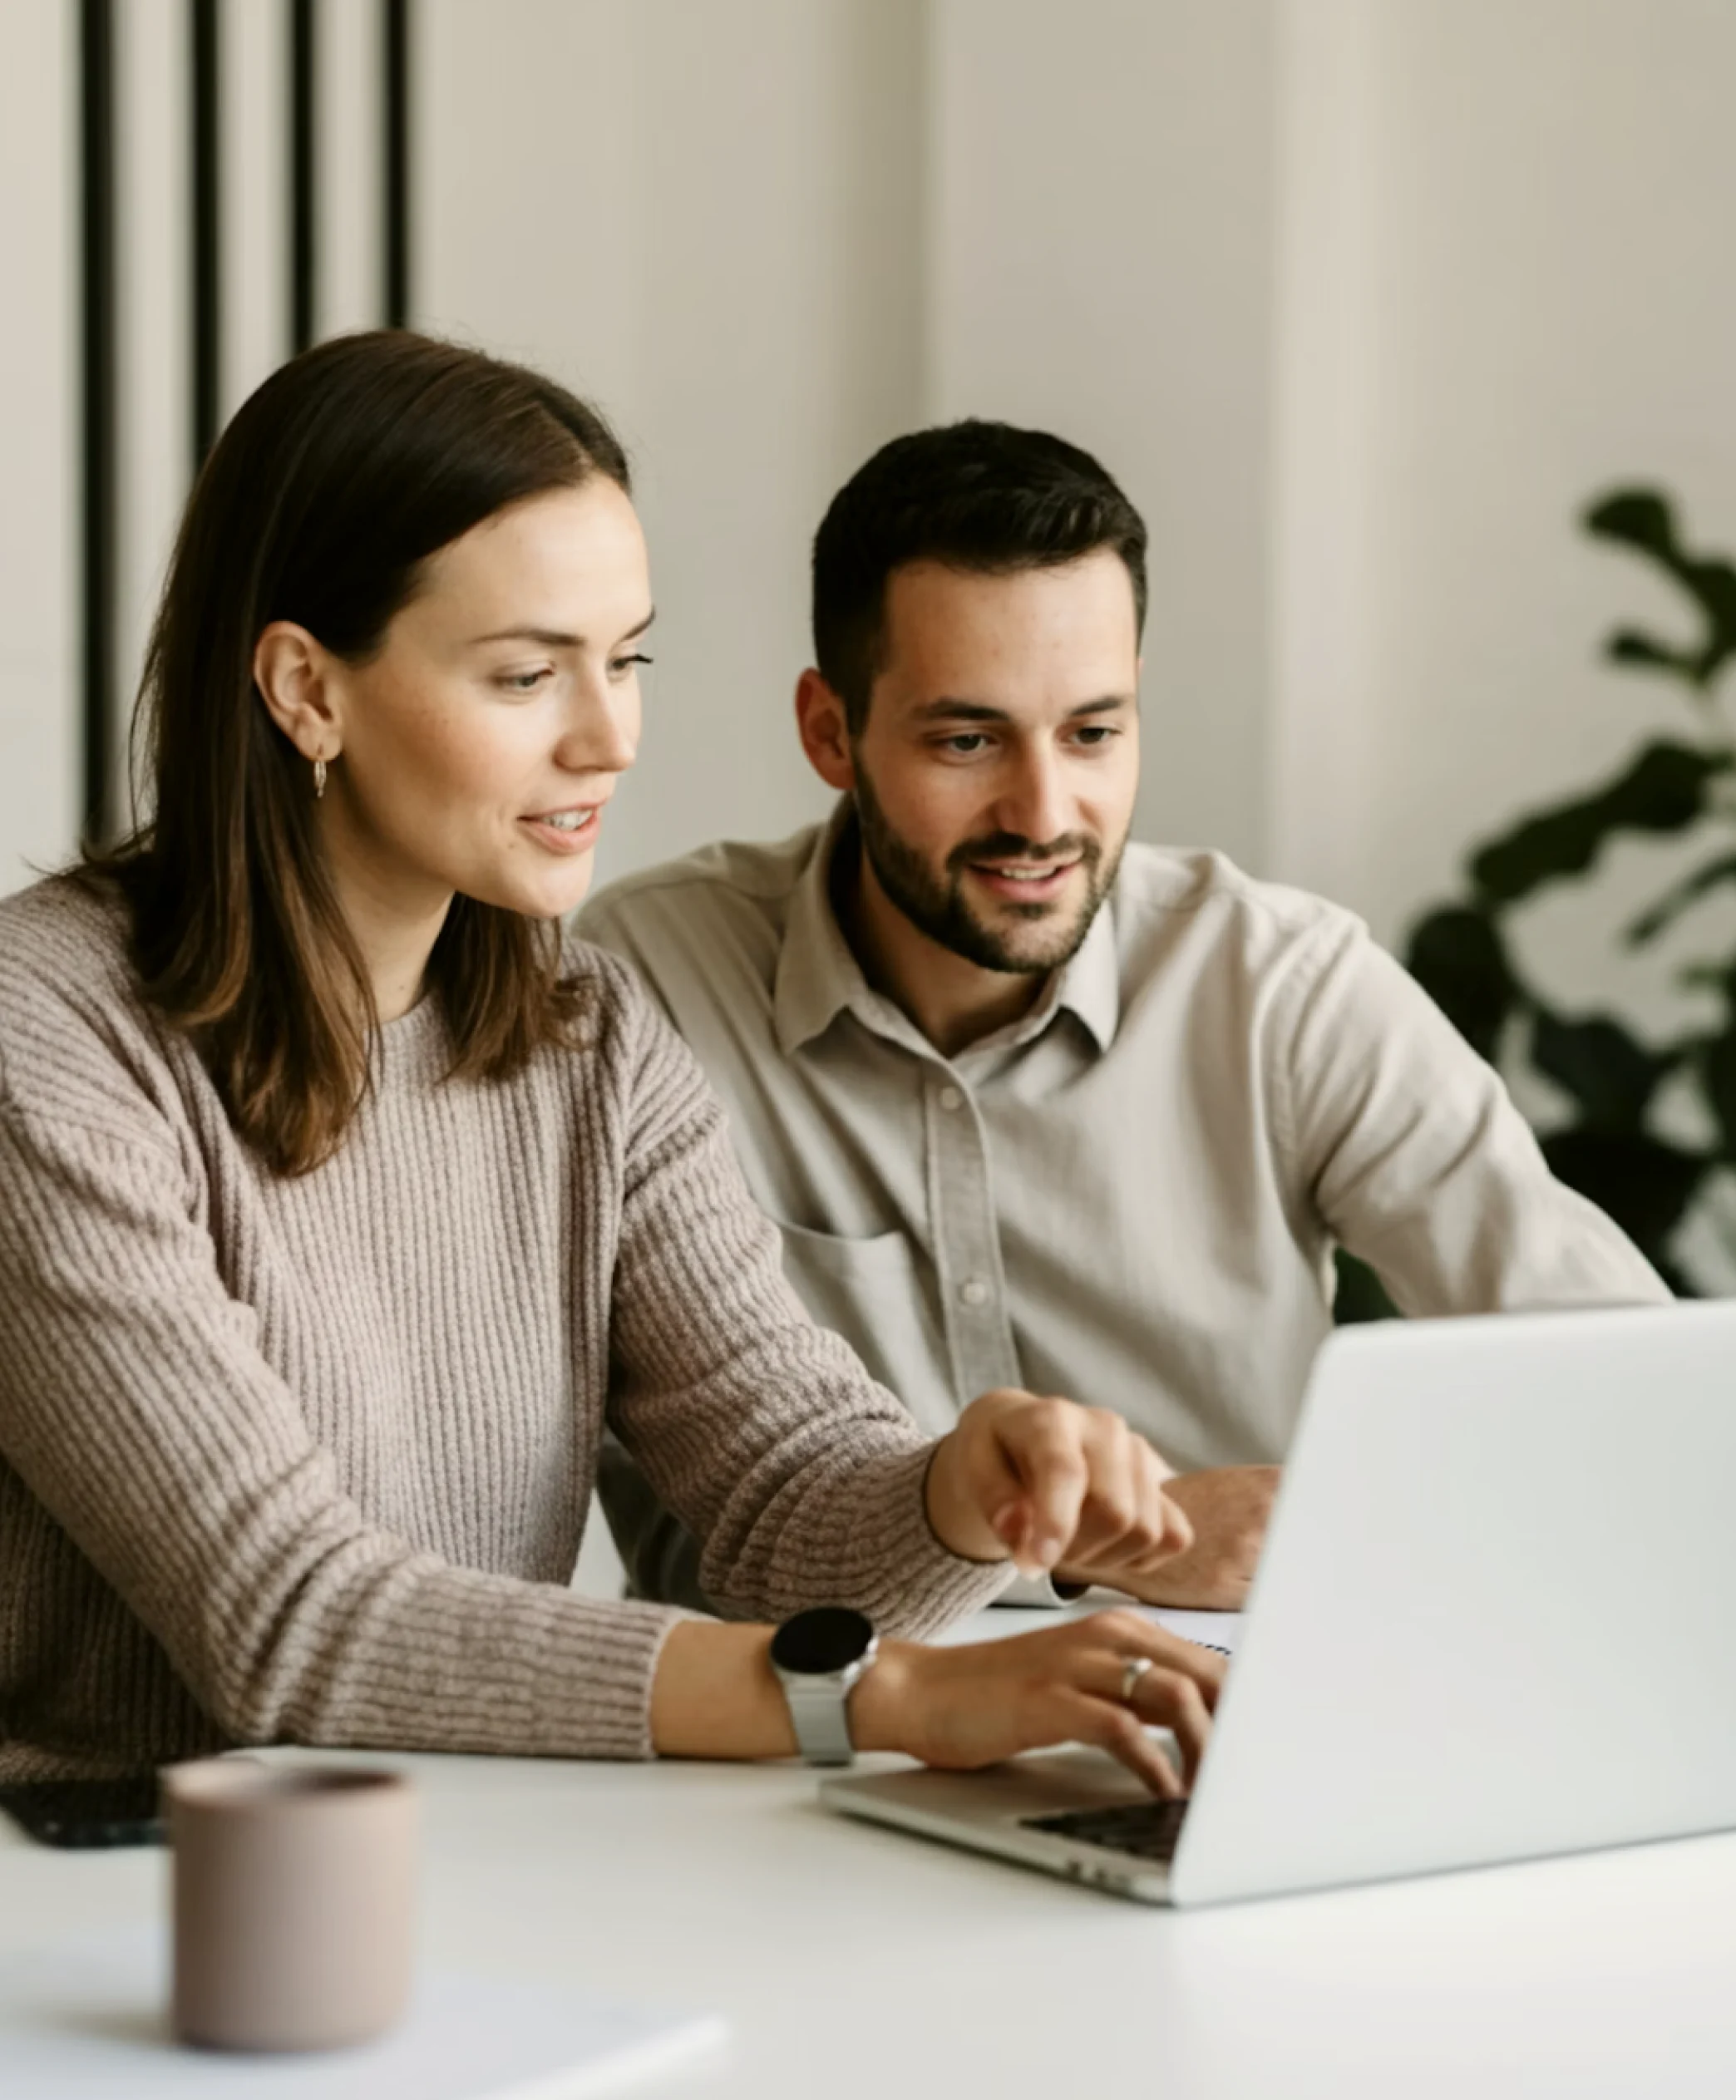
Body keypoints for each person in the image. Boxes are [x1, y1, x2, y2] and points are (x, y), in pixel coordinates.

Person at [0, 338, 1226, 1800]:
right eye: (527, 675)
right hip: (103, 1906)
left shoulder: (587, 1035)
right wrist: (890, 1694)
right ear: (304, 690)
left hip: (483, 1861)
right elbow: (288, 1621)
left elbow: (780, 1492)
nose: (611, 738)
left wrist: (955, 1492)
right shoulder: (49, 1038)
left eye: (627, 659)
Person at [580, 419, 1671, 1613]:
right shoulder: (643, 990)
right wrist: (1104, 1541)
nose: (1043, 812)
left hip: (1225, 1728)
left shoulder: (1282, 989)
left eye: (1093, 732)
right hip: (788, 1735)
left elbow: (1627, 1399)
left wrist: (1366, 1528)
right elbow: (696, 1519)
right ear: (831, 733)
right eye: (967, 739)